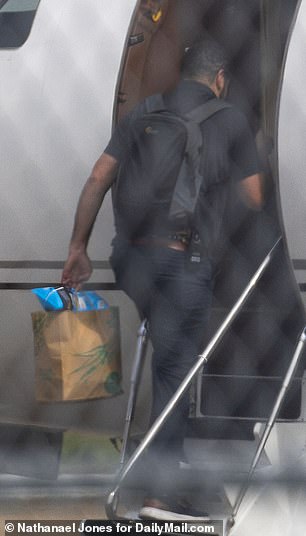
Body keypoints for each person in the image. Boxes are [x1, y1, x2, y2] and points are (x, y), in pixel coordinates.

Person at [62, 38, 264, 520]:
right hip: (182, 263)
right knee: (176, 374)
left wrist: (78, 249)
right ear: (220, 79)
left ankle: (160, 470)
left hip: (129, 260)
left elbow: (97, 178)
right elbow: (254, 198)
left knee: (166, 359)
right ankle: (159, 498)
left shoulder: (144, 112)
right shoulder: (229, 117)